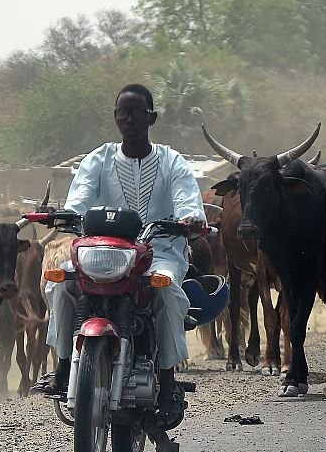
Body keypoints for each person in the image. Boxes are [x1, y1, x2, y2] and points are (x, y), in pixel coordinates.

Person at [32, 83, 206, 418]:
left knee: (168, 292)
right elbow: (79, 198)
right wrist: (67, 213)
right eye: (122, 112)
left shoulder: (172, 162)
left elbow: (188, 200)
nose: (128, 118)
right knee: (60, 283)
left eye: (136, 111)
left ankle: (168, 379)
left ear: (151, 116)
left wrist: (190, 218)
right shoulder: (99, 159)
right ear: (115, 117)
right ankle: (65, 365)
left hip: (160, 253)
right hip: (102, 255)